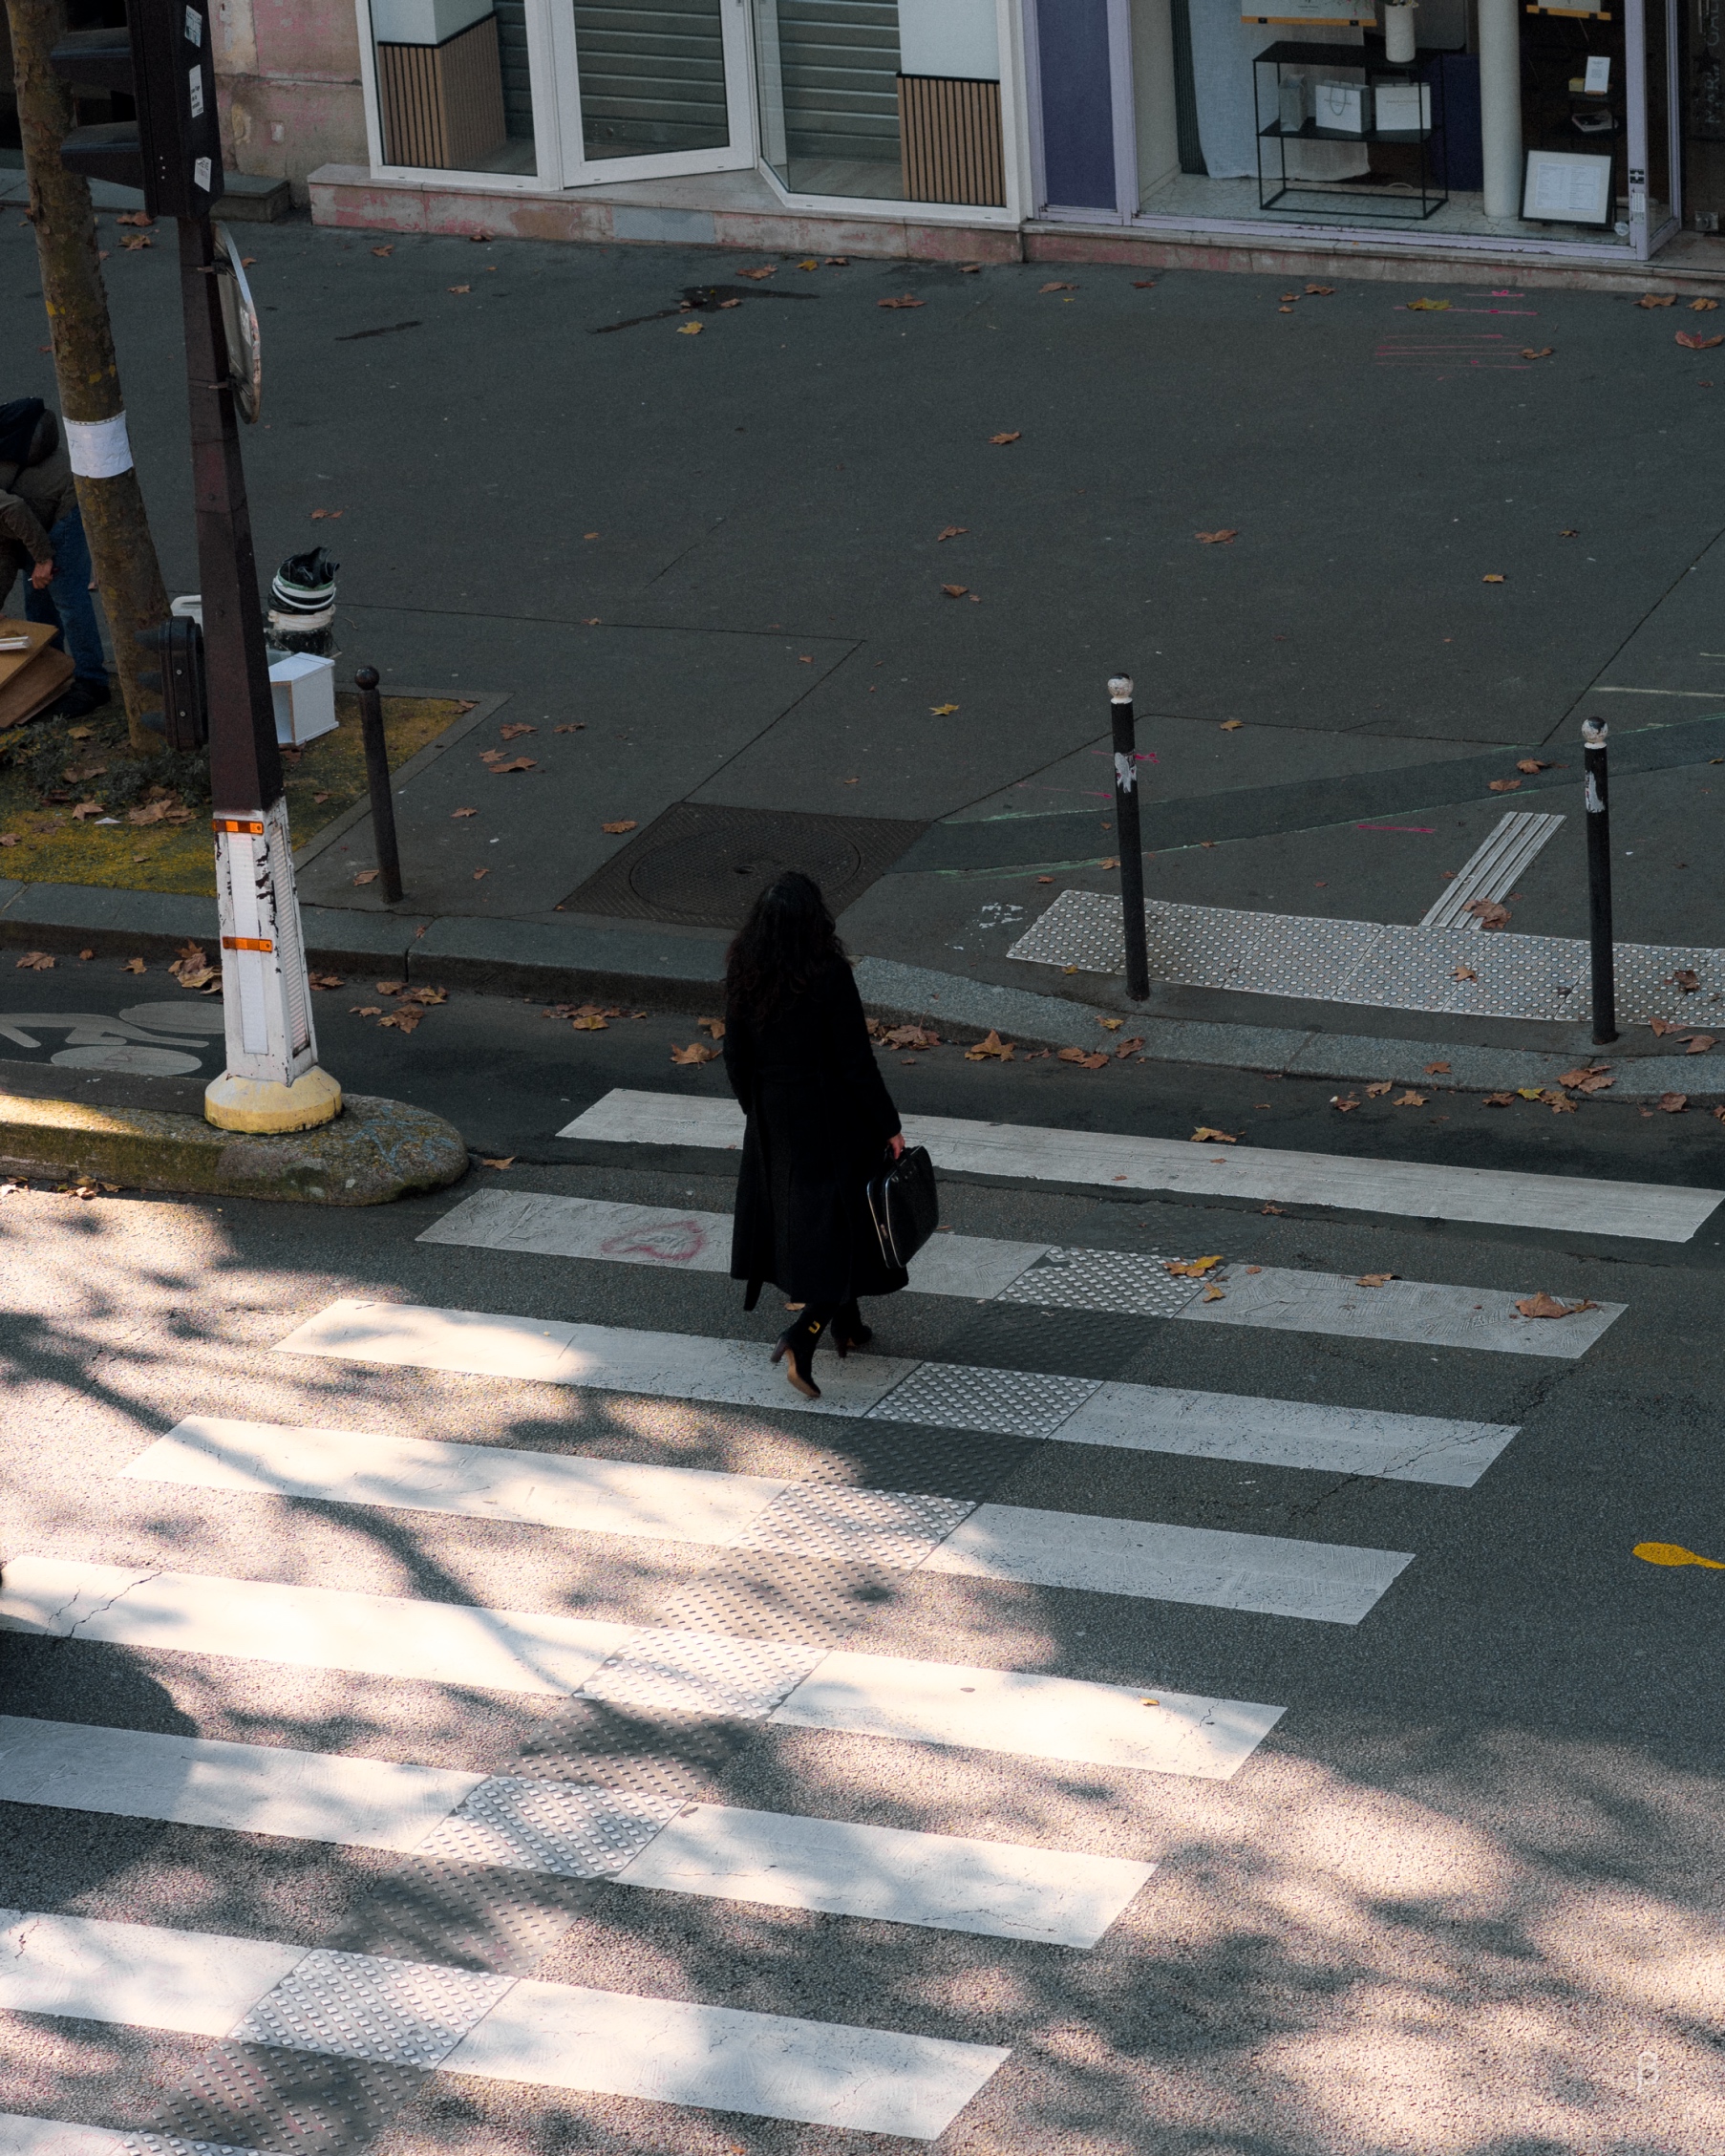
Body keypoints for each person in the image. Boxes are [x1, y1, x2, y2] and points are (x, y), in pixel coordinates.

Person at [723, 871, 907, 1399]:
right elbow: (856, 1063)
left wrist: (757, 1115)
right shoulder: (828, 974)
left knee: (817, 1224)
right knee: (848, 1227)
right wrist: (888, 1125)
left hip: (775, 1119)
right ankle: (804, 1335)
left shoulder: (744, 970)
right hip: (831, 1118)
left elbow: (737, 1057)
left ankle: (847, 1324)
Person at [0, 396, 110, 718]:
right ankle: (50, 674)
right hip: (37, 508)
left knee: (67, 596)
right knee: (37, 596)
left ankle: (93, 683)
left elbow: (13, 511)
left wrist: (44, 558)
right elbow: (4, 546)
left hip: (66, 501)